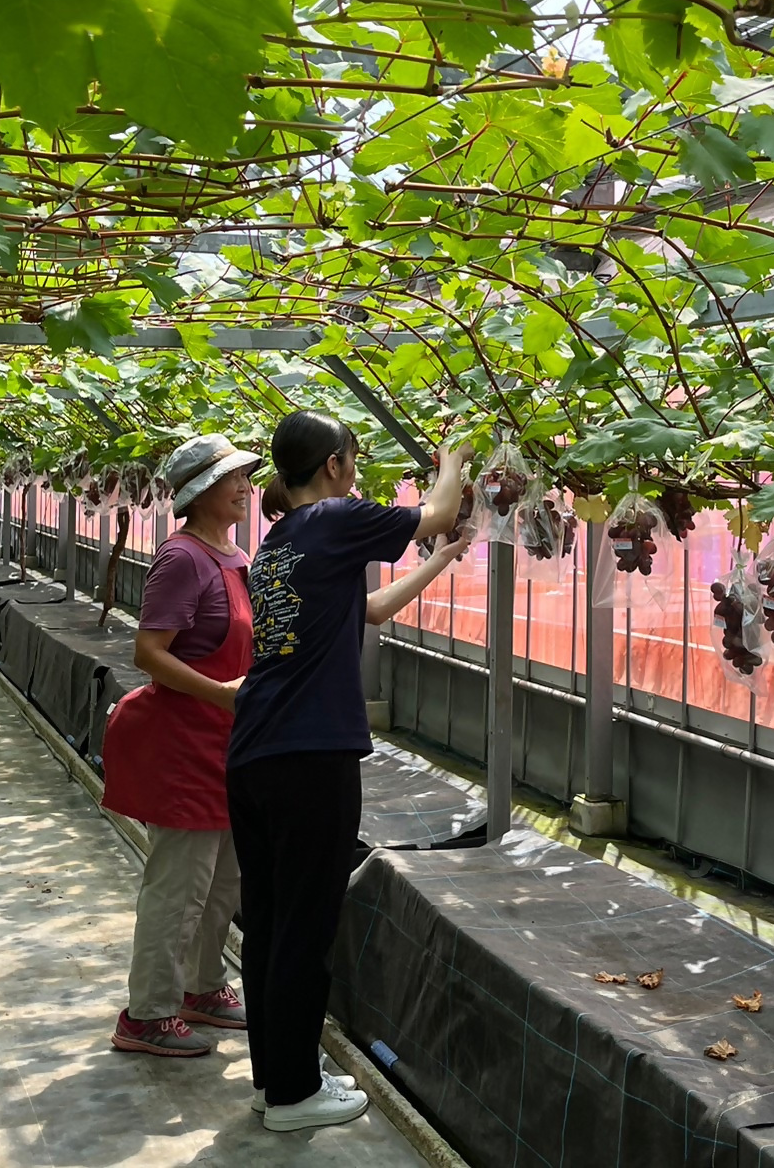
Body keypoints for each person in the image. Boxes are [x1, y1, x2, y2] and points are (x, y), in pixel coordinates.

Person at [227, 412, 473, 1132]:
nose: (358, 473)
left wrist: (440, 560)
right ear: (334, 464)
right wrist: (451, 455)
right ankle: (296, 1095)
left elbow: (364, 609)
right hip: (309, 756)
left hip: (255, 754)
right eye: (355, 460)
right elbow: (440, 506)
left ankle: (275, 1079)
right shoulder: (334, 516)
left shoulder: (280, 541)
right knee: (304, 926)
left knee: (270, 923)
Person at [102, 433, 259, 1058]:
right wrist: (224, 695)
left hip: (225, 742)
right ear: (202, 492)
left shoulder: (233, 554)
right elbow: (148, 654)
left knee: (223, 881)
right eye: (235, 478)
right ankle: (147, 1013)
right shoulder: (183, 559)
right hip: (185, 743)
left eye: (246, 475)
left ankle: (202, 986)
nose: (247, 486)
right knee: (178, 886)